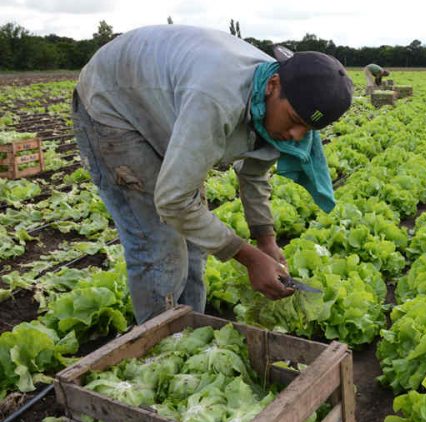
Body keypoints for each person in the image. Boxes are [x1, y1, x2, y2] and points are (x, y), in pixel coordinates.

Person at [72, 25, 354, 323]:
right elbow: (173, 202)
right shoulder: (217, 98)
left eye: (307, 129)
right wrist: (248, 257)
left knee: (194, 240)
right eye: (295, 120)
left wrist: (265, 240)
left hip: (166, 99)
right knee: (159, 243)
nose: (296, 135)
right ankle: (158, 345)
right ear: (272, 85)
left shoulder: (273, 104)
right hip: (113, 102)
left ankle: (191, 327)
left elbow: (254, 172)